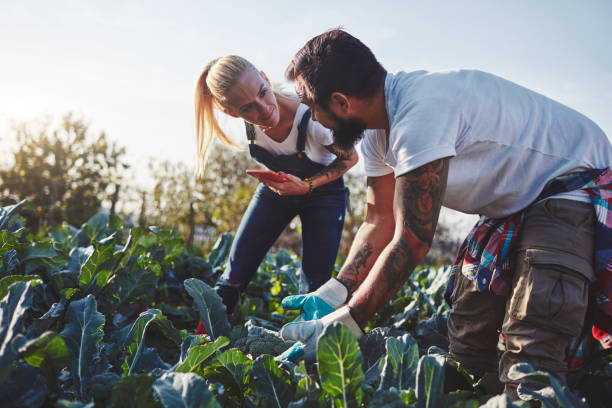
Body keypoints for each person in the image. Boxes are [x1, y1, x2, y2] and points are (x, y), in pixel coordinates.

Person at [278, 29, 612, 400]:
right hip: (516, 199)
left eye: (313, 106)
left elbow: (412, 241)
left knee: (534, 333)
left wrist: (348, 321)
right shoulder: (376, 133)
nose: (315, 120)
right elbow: (379, 221)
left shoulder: (420, 116)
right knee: (469, 331)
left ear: (341, 103)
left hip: (571, 180)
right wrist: (336, 290)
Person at [193, 55, 358, 326]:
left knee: (316, 284)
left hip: (324, 195)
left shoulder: (313, 120)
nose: (264, 110)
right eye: (248, 108)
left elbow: (350, 158)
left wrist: (306, 185)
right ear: (232, 112)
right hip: (277, 192)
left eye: (263, 93)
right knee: (235, 272)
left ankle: (313, 353)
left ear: (265, 78)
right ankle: (203, 346)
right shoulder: (250, 130)